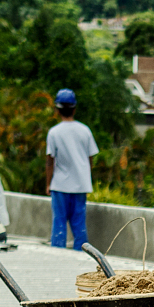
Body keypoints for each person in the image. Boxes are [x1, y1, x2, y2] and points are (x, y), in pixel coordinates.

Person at [45, 88, 98, 250]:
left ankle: (57, 254)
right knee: (79, 225)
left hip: (60, 185)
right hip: (80, 185)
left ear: (57, 110)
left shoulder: (54, 132)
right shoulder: (85, 130)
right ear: (74, 109)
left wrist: (48, 184)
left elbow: (50, 161)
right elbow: (90, 158)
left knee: (59, 224)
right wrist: (85, 176)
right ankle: (81, 253)